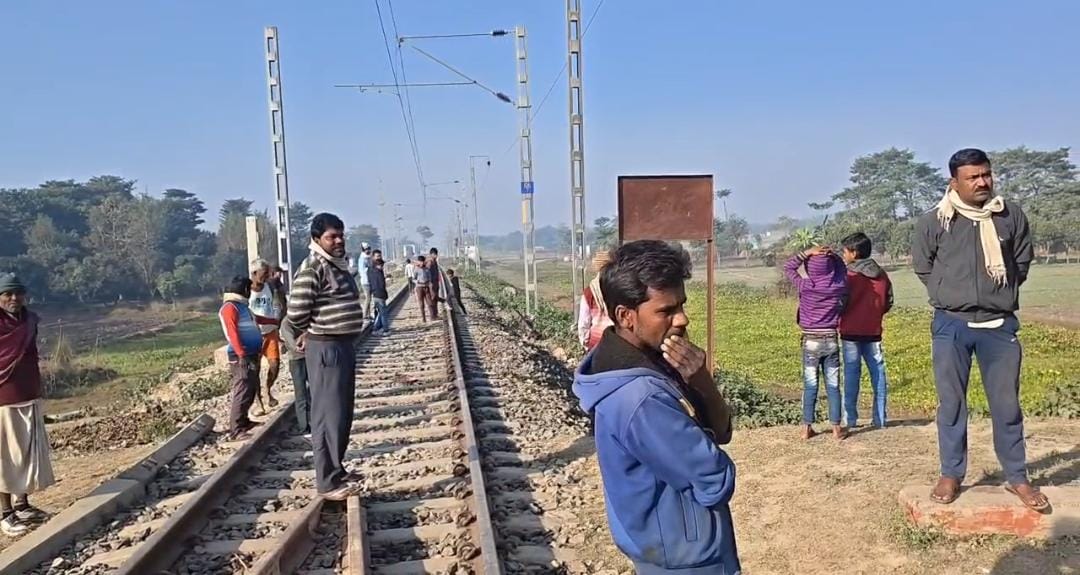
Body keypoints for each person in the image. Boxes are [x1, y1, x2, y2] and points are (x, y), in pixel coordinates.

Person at [573, 240, 738, 575]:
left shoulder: (646, 362)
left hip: (666, 547)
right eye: (666, 311)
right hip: (689, 559)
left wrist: (701, 382)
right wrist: (702, 436)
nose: (682, 319)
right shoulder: (642, 398)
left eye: (681, 305)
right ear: (625, 316)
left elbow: (722, 431)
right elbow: (717, 479)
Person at [912, 148, 1047, 512]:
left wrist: (997, 293)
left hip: (999, 327)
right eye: (973, 177)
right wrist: (949, 292)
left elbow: (1021, 261)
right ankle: (951, 473)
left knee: (1007, 406)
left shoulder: (1009, 216)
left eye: (986, 174)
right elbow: (923, 267)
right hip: (951, 325)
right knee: (952, 404)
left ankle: (1017, 477)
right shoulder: (934, 221)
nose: (983, 182)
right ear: (954, 182)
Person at [288, 213, 365, 501]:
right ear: (317, 239)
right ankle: (327, 481)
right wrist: (312, 331)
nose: (339, 240)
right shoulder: (313, 268)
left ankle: (337, 469)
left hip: (342, 345)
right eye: (332, 236)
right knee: (327, 415)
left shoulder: (337, 265)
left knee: (342, 412)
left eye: (341, 234)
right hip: (326, 349)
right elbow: (296, 313)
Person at [0, 274, 54, 536]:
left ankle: (22, 505)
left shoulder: (29, 320)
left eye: (17, 293)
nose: (13, 298)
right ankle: (6, 513)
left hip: (28, 393)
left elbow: (31, 355)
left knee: (26, 452)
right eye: (7, 294)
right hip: (3, 399)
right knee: (5, 457)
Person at [784, 246, 849, 440]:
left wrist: (808, 253)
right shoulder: (838, 285)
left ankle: (806, 428)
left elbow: (788, 268)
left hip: (810, 341)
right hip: (831, 340)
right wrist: (833, 255)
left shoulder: (806, 285)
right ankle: (837, 428)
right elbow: (842, 269)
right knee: (833, 385)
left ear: (810, 269)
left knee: (810, 385)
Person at [838, 232, 893, 429]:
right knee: (878, 373)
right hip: (873, 331)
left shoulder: (847, 276)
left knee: (852, 375)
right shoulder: (882, 274)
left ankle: (850, 420)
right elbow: (888, 302)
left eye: (845, 251)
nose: (843, 255)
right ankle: (880, 418)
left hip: (850, 331)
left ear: (854, 253)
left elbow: (840, 303)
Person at [218, 276, 263, 441]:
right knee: (242, 388)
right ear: (244, 290)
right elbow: (232, 333)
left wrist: (274, 321)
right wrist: (241, 354)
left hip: (251, 354)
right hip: (241, 356)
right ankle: (236, 429)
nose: (251, 293)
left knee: (250, 388)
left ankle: (244, 421)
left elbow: (257, 321)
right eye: (249, 289)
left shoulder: (242, 307)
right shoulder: (230, 308)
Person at [249, 259, 282, 414]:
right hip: (254, 335)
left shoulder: (269, 286)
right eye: (263, 274)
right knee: (255, 370)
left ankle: (268, 390)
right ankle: (258, 401)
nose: (266, 276)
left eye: (267, 273)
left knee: (275, 365)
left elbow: (277, 303)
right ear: (254, 274)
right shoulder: (246, 290)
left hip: (271, 332)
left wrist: (277, 318)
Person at [577, 250, 614, 351]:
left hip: (595, 344)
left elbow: (583, 324)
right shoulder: (619, 289)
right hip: (617, 343)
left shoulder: (590, 291)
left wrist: (585, 343)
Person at [279, 316, 310, 436]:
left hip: (309, 357)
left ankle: (314, 421)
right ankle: (304, 426)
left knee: (315, 391)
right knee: (301, 393)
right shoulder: (286, 323)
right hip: (297, 360)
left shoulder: (306, 318)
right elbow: (293, 344)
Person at [367, 249, 390, 335]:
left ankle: (377, 328)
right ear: (373, 257)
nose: (378, 257)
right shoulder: (374, 270)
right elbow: (379, 284)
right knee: (383, 313)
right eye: (377, 256)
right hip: (379, 293)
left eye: (380, 256)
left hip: (376, 293)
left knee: (379, 312)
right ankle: (385, 329)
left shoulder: (372, 269)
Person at [412, 255, 433, 322]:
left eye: (422, 262)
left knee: (429, 303)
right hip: (419, 288)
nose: (421, 263)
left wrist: (430, 283)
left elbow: (430, 278)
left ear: (424, 262)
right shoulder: (416, 269)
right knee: (421, 304)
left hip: (426, 287)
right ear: (418, 262)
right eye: (420, 262)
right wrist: (416, 281)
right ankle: (423, 318)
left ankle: (432, 317)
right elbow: (413, 279)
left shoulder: (427, 269)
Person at [355, 243, 373, 320]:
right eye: (366, 249)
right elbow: (362, 271)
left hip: (369, 280)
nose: (368, 250)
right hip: (365, 281)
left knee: (369, 298)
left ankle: (368, 315)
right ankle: (365, 315)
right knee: (368, 298)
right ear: (363, 250)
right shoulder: (362, 259)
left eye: (369, 249)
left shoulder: (367, 258)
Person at [427, 248, 442, 319]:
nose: (436, 255)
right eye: (435, 254)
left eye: (436, 254)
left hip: (436, 283)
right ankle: (432, 316)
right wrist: (430, 284)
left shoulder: (435, 261)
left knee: (435, 299)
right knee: (432, 299)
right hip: (431, 284)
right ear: (431, 254)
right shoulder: (430, 263)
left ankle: (435, 314)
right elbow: (428, 274)